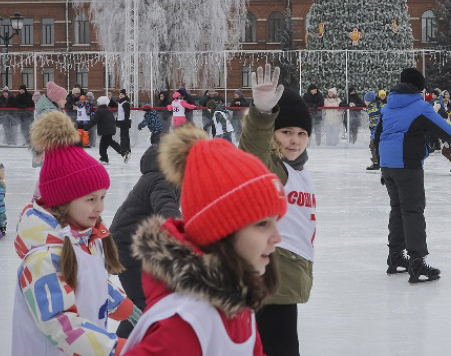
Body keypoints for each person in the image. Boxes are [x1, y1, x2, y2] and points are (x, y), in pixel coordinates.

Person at [121, 126, 285, 355]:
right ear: (221, 231)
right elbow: (165, 203)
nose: (277, 237)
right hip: (124, 244)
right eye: (261, 224)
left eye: (276, 221)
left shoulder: (237, 304)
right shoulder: (184, 324)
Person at [12, 111, 138, 355]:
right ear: (62, 201)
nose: (100, 207)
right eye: (91, 199)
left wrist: (125, 308)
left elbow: (93, 282)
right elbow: (61, 326)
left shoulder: (87, 238)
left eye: (102, 197)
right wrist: (116, 348)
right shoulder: (43, 260)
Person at [239, 64, 316, 356]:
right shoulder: (271, 169)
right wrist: (260, 116)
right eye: (285, 132)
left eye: (301, 133)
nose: (294, 140)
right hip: (270, 277)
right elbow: (254, 150)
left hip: (288, 275)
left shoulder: (298, 171)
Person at [373, 67, 451, 283]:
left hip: (388, 165)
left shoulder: (388, 107)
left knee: (398, 209)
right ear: (419, 87)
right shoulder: (419, 107)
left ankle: (396, 257)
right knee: (413, 210)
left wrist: (382, 164)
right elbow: (445, 130)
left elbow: (376, 135)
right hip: (407, 165)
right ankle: (416, 262)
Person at [110, 144, 180, 339]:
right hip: (128, 247)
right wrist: (178, 228)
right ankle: (121, 348)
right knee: (145, 302)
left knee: (152, 299)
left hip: (134, 245)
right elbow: (165, 205)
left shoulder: (161, 176)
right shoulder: (161, 179)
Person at [87, 95, 129, 165]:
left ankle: (122, 152)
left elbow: (94, 121)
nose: (97, 103)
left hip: (106, 130)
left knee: (108, 142)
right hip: (109, 129)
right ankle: (104, 158)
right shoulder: (108, 110)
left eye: (98, 102)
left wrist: (86, 128)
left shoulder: (99, 111)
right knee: (104, 145)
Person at [365, 91, 381, 170]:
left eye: (366, 100)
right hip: (380, 131)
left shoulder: (372, 109)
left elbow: (375, 123)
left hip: (377, 132)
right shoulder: (376, 105)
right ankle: (379, 162)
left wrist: (374, 134)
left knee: (373, 146)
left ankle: (376, 163)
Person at [116, 89, 132, 154]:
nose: (120, 96)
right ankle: (126, 148)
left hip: (125, 121)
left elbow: (127, 113)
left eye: (122, 94)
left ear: (124, 95)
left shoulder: (125, 103)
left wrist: (126, 120)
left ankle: (124, 148)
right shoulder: (120, 102)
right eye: (120, 94)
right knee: (124, 135)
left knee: (124, 135)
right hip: (122, 120)